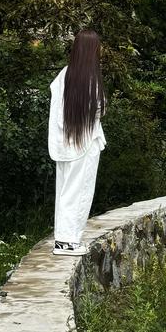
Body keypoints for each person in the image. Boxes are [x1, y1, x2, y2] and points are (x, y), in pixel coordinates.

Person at [48, 28, 106, 256]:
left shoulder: (64, 75)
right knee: (80, 191)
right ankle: (68, 241)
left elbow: (58, 110)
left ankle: (63, 239)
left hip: (65, 142)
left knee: (64, 192)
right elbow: (99, 109)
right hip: (84, 143)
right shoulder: (90, 78)